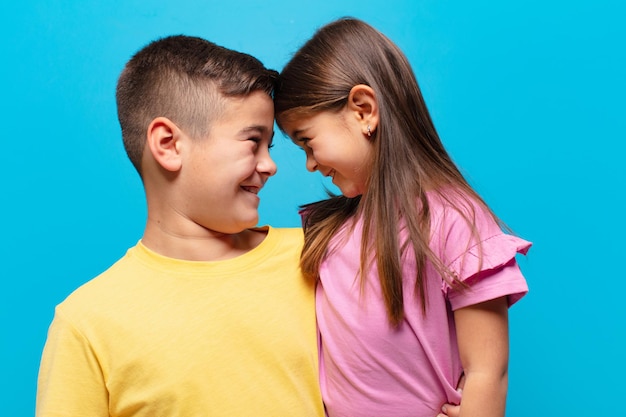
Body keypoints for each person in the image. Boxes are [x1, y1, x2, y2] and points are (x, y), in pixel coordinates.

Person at [36, 35, 324, 416]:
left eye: (269, 147)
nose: (269, 165)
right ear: (169, 144)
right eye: (253, 141)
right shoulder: (87, 324)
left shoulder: (320, 254)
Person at [274, 18, 531, 417]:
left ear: (363, 110)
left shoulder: (453, 221)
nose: (309, 164)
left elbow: (487, 372)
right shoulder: (329, 232)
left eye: (307, 141)